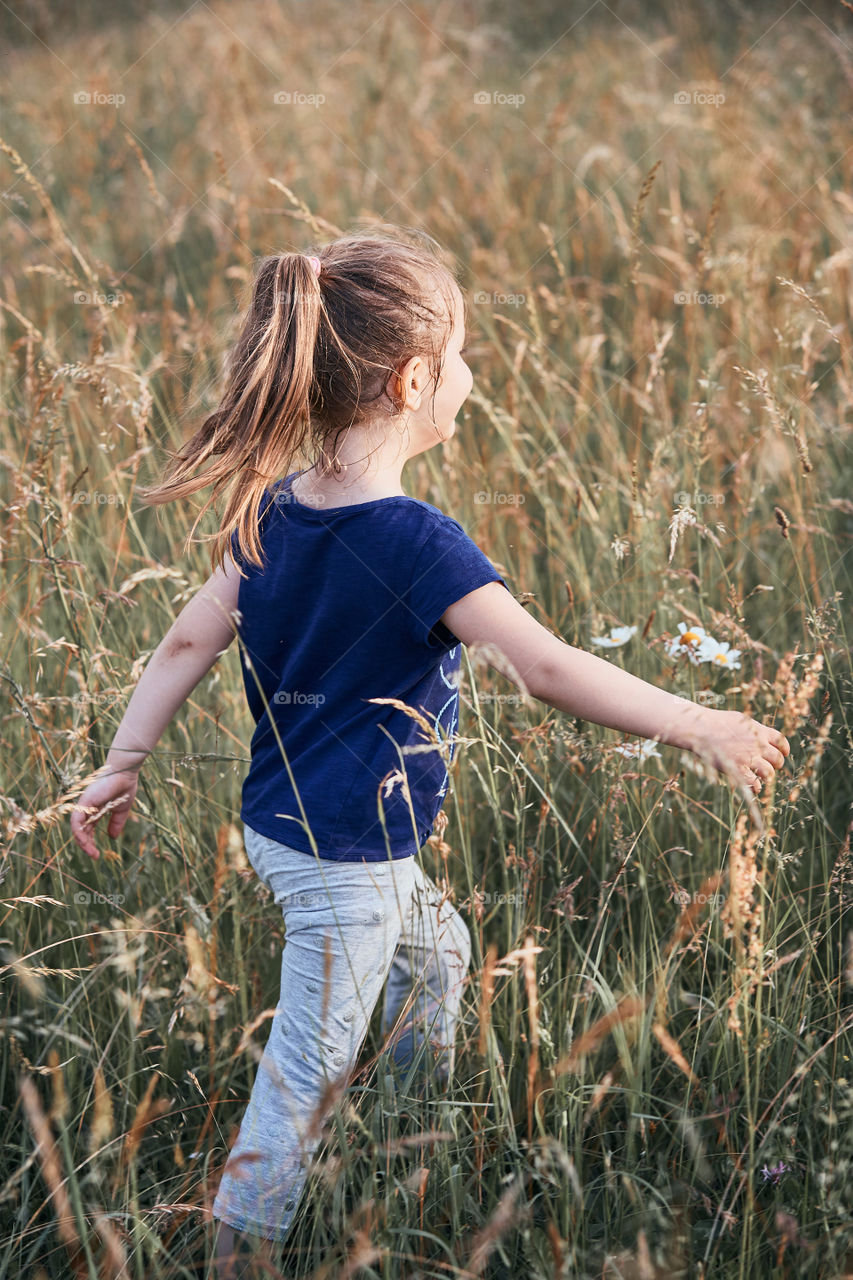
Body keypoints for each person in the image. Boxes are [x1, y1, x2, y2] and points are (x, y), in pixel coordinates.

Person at [69, 224, 791, 1277]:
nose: (470, 375)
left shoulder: (273, 512)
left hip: (288, 827)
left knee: (438, 951)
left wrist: (123, 759)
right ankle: (238, 1249)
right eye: (459, 356)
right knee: (305, 1066)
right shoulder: (419, 543)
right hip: (346, 864)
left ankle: (408, 1140)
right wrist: (697, 723)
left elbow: (186, 637)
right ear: (412, 382)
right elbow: (543, 667)